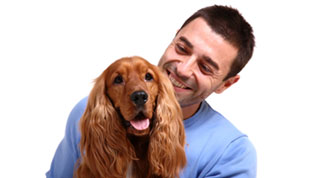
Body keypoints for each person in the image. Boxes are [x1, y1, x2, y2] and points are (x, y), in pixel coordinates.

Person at [46, 5, 256, 178]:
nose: (183, 69)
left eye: (205, 67)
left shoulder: (230, 151)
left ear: (226, 84)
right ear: (173, 40)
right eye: (182, 48)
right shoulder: (86, 112)